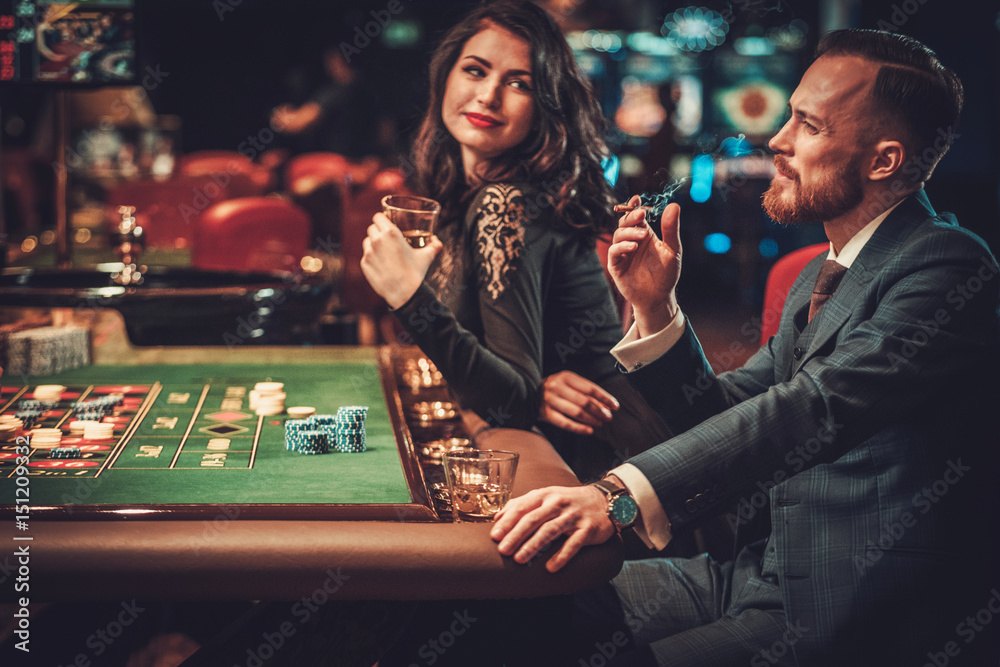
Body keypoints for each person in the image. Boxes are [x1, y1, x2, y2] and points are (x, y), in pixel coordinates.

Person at [491, 28, 1000, 666]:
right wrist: (657, 307)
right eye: (787, 116)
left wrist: (617, 497)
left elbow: (813, 410)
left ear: (883, 160)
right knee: (506, 595)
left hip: (849, 610)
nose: (778, 141)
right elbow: (723, 412)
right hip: (747, 577)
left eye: (808, 126)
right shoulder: (821, 276)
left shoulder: (948, 267)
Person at [360, 0, 670, 481]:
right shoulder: (465, 196)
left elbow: (513, 401)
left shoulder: (504, 203)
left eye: (519, 82)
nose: (487, 95)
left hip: (609, 470)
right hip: (586, 451)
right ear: (445, 77)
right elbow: (518, 384)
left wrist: (408, 296)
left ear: (544, 104)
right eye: (475, 71)